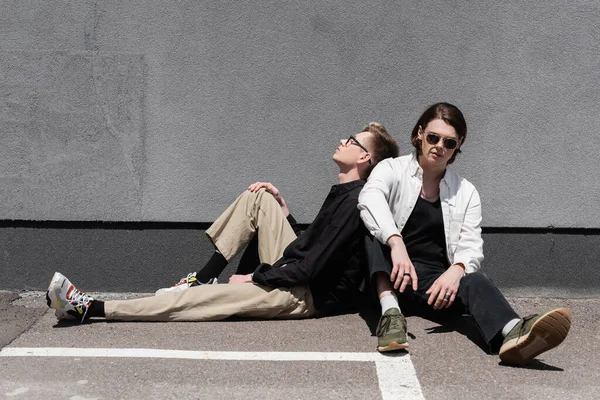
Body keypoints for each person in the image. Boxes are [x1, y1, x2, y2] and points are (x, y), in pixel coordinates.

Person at [46, 123, 399, 323]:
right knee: (260, 195)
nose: (341, 139)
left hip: (304, 294)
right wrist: (286, 211)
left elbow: (313, 267)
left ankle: (89, 308)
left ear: (365, 157)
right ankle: (203, 275)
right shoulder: (344, 192)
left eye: (351, 141)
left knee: (206, 301)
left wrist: (256, 276)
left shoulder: (356, 201)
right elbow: (316, 247)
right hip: (298, 271)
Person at [358, 103, 571, 366]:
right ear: (420, 134)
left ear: (458, 145)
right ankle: (391, 315)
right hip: (391, 273)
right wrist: (395, 241)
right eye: (433, 138)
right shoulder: (392, 169)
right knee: (371, 229)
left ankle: (514, 334)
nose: (439, 146)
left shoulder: (466, 191)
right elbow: (370, 197)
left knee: (477, 280)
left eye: (448, 142)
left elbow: (471, 241)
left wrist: (457, 269)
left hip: (435, 287)